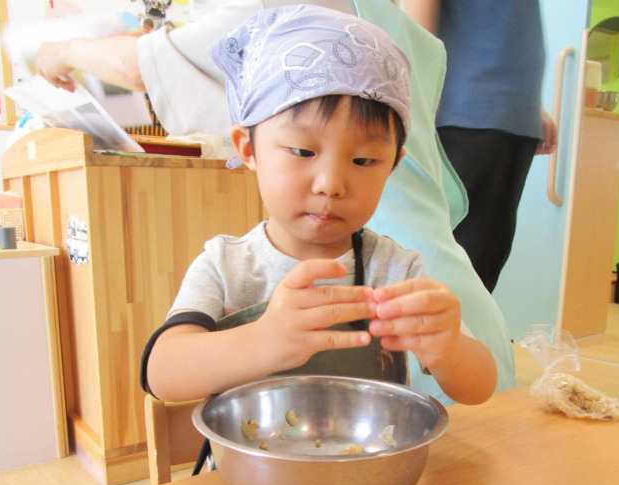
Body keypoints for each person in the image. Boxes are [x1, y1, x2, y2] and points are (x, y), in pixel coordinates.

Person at [35, 0, 518, 408]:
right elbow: (161, 371)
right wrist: (264, 341)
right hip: (254, 480)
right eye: (304, 152)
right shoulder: (227, 265)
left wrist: (449, 346)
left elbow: (478, 389)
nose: (331, 183)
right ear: (248, 149)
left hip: (369, 480)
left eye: (365, 159)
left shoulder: (392, 269)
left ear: (393, 165)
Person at [402, 0, 558, 293]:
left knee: (481, 263)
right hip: (464, 114)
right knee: (453, 265)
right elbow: (417, 31)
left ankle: (464, 337)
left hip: (507, 116)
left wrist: (532, 104)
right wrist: (416, 112)